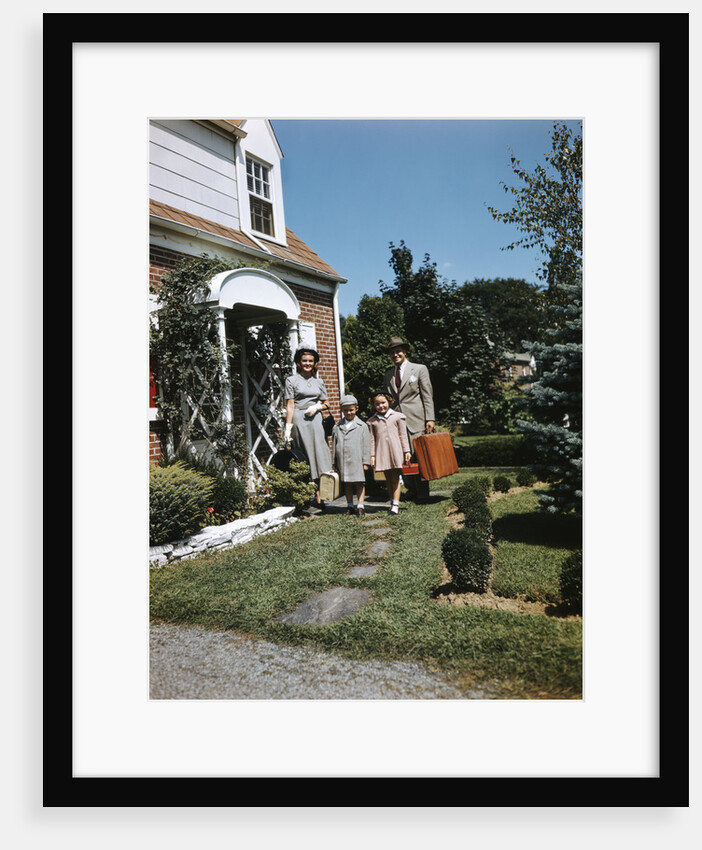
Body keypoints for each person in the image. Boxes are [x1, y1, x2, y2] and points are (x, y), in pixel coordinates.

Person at [383, 336, 435, 501]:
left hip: (416, 419)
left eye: (398, 351)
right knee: (402, 456)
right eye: (392, 352)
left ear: (404, 351)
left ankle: (422, 493)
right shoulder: (388, 375)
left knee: (418, 456)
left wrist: (430, 418)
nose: (395, 355)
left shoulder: (419, 369)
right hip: (396, 422)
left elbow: (427, 396)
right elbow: (388, 400)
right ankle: (411, 490)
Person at [284, 343, 333, 509]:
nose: (307, 363)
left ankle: (320, 495)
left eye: (310, 361)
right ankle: (305, 495)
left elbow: (327, 403)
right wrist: (288, 426)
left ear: (315, 363)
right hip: (300, 419)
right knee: (303, 455)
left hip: (315, 419)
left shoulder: (319, 381)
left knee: (319, 453)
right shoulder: (291, 380)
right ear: (299, 362)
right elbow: (290, 405)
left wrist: (318, 407)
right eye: (304, 360)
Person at [367, 391, 411, 516]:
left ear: (389, 402)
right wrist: (372, 455)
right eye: (377, 404)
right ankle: (392, 500)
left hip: (396, 451)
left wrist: (406, 451)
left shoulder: (398, 417)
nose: (381, 406)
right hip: (381, 452)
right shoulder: (372, 421)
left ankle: (395, 505)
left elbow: (403, 435)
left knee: (395, 477)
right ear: (374, 405)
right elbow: (372, 440)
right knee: (388, 478)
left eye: (383, 403)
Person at [331, 395, 371, 516]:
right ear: (342, 411)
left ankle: (360, 506)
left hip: (357, 459)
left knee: (359, 482)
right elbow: (334, 445)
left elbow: (366, 445)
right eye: (346, 410)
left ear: (356, 409)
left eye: (351, 410)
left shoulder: (362, 426)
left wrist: (366, 461)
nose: (349, 413)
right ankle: (350, 505)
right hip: (343, 460)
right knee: (347, 483)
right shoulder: (337, 427)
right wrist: (334, 462)